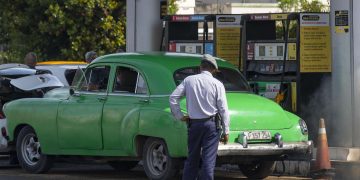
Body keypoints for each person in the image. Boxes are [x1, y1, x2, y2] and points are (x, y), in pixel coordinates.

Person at [169, 54, 230, 180]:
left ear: (200, 67)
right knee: (208, 161)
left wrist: (179, 116)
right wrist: (226, 130)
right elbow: (223, 109)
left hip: (194, 125)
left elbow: (173, 98)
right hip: (211, 126)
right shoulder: (217, 84)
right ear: (213, 69)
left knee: (192, 159)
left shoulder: (189, 80)